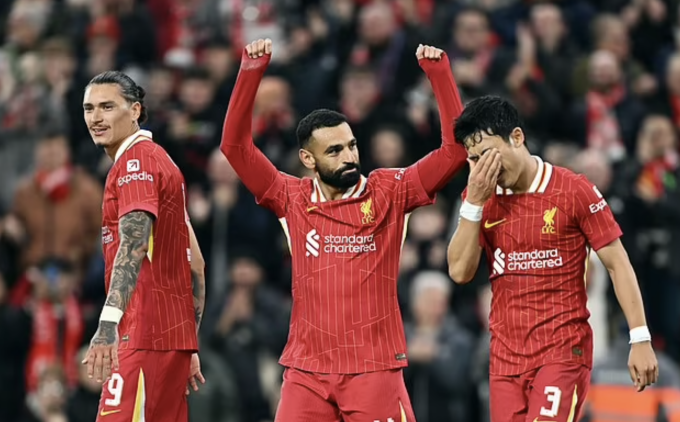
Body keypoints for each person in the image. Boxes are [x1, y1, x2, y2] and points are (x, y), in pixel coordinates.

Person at [221, 38, 467, 422]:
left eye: (351, 145)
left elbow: (455, 151)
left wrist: (440, 76)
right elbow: (235, 147)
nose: (350, 156)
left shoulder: (391, 191)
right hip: (307, 373)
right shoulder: (291, 197)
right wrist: (250, 74)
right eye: (334, 151)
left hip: (374, 369)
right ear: (308, 159)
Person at [446, 95, 659, 422]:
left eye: (489, 153)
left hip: (562, 353)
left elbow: (618, 263)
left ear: (517, 137)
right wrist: (474, 202)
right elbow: (459, 272)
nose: (484, 167)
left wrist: (640, 337)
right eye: (475, 159)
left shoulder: (574, 191)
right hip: (505, 359)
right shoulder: (480, 197)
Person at [80, 71, 207, 422]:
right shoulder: (160, 160)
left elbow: (133, 245)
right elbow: (195, 263)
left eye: (108, 106)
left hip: (140, 335)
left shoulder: (135, 163)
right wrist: (186, 343)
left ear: (135, 110)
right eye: (89, 108)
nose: (96, 117)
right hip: (168, 341)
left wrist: (108, 324)